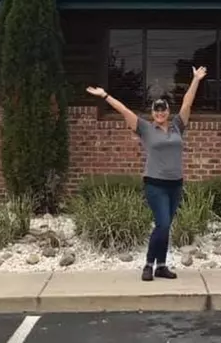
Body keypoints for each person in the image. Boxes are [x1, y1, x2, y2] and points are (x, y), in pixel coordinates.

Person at [85, 66, 207, 281]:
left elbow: (188, 102)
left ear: (168, 112)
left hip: (175, 184)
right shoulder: (145, 129)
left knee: (166, 226)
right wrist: (104, 95)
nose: (160, 113)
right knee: (162, 224)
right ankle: (148, 265)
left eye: (163, 109)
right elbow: (124, 110)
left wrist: (196, 79)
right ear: (152, 113)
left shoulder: (178, 126)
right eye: (156, 110)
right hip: (155, 185)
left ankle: (161, 265)